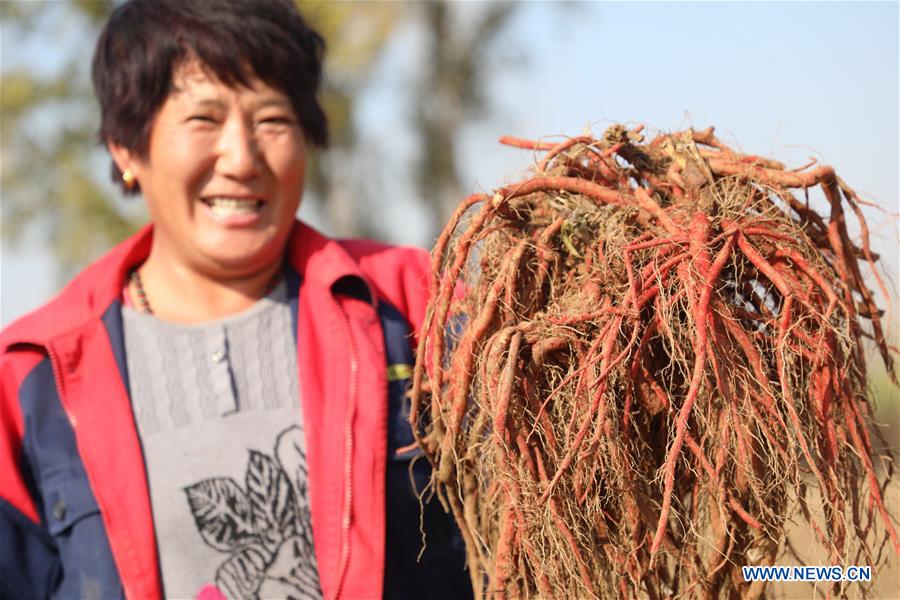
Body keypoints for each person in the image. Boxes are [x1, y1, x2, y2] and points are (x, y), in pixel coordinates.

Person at [0, 1, 472, 598]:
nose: (243, 159)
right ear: (126, 145)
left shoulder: (413, 305)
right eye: (204, 119)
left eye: (272, 119)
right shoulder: (33, 378)